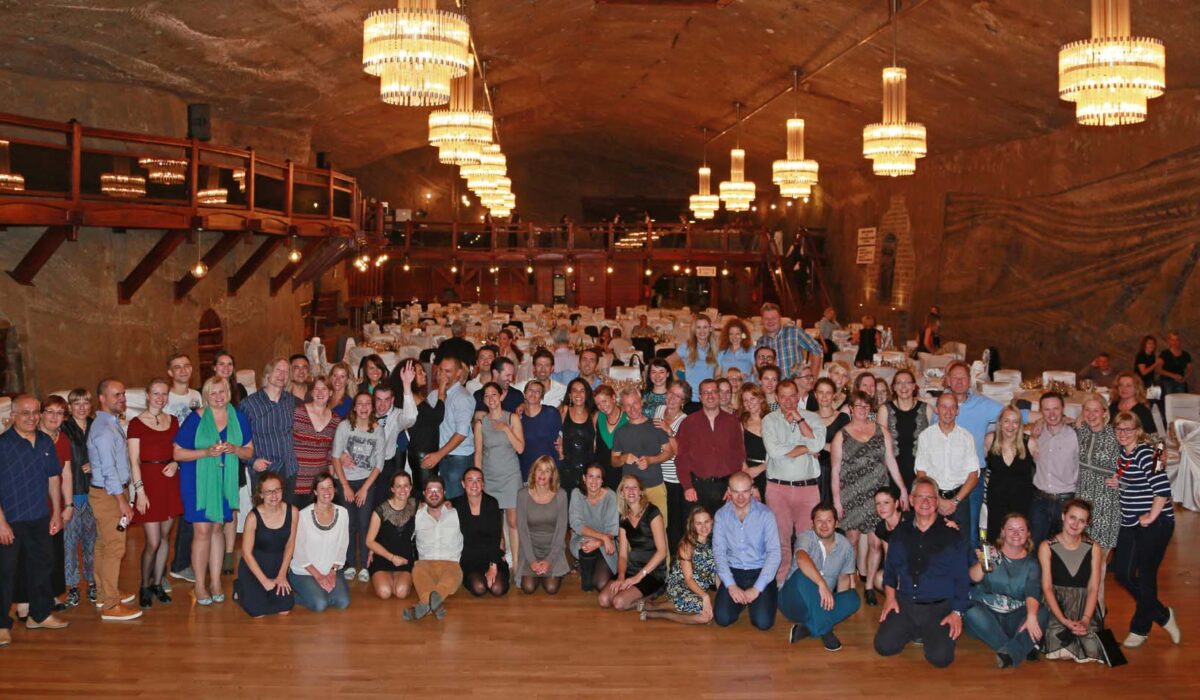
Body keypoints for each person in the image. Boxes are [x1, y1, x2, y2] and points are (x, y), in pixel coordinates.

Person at [875, 477, 972, 668]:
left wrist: (957, 613)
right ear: (911, 500)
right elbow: (890, 570)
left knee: (941, 659)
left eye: (930, 497)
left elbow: (962, 578)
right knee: (883, 647)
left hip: (938, 607)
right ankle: (917, 629)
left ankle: (926, 631)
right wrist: (890, 598)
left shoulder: (952, 536)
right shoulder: (900, 532)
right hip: (906, 603)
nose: (925, 502)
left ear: (937, 502)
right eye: (920, 497)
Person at [173, 377, 254, 606]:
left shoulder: (238, 417)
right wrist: (206, 453)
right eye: (213, 392)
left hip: (224, 481)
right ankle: (200, 585)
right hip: (197, 481)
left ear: (229, 393)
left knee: (217, 529)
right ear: (206, 396)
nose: (218, 396)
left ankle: (216, 582)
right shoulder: (196, 418)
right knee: (202, 531)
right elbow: (177, 453)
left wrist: (235, 449)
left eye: (222, 391)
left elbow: (249, 452)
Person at [0, 395, 69, 644]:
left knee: (42, 567)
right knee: (5, 572)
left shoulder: (44, 441)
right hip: (10, 520)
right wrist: (1, 523)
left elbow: (53, 478)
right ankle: (1, 625)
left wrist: (56, 512)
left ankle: (38, 615)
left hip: (39, 517)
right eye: (25, 412)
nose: (32, 417)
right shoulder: (3, 444)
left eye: (35, 412)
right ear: (13, 416)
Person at [831, 391, 908, 606]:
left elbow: (891, 461)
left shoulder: (882, 431)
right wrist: (837, 501)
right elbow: (835, 470)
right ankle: (851, 582)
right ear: (851, 408)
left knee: (875, 542)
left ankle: (869, 586)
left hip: (877, 495)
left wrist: (902, 489)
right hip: (852, 494)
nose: (863, 410)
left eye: (866, 406)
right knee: (852, 540)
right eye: (858, 406)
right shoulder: (841, 435)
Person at [1111, 412, 1180, 648]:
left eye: (1128, 429)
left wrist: (1151, 515)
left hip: (1156, 523)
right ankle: (1163, 614)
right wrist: (1119, 482)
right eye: (1119, 429)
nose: (1123, 433)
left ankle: (1140, 629)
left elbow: (1162, 488)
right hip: (1132, 521)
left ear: (1138, 431)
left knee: (1146, 574)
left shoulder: (1145, 453)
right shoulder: (1125, 453)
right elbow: (1137, 480)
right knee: (1123, 573)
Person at [86, 380, 142, 620]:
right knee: (115, 548)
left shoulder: (108, 423)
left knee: (103, 545)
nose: (122, 398)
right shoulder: (104, 430)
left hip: (108, 492)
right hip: (110, 495)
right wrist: (122, 501)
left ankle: (103, 594)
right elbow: (109, 471)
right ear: (102, 398)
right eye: (116, 395)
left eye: (123, 394)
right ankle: (110, 604)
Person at [762, 380, 826, 584]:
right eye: (783, 397)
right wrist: (805, 447)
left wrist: (800, 420)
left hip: (807, 488)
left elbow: (818, 444)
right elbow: (774, 451)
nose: (788, 401)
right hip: (777, 488)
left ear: (798, 397)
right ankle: (781, 582)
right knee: (780, 539)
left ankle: (804, 582)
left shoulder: (813, 418)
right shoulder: (769, 420)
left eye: (792, 396)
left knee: (808, 539)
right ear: (777, 398)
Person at [964, 513, 1046, 668]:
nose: (1016, 533)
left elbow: (1033, 592)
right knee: (969, 609)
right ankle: (1019, 648)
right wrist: (983, 563)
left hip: (1015, 618)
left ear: (1028, 533)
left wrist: (1032, 616)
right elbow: (972, 578)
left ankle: (1011, 651)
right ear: (1003, 532)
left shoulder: (1032, 564)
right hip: (987, 618)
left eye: (1021, 529)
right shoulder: (990, 553)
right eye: (1011, 529)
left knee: (1041, 612)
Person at [127, 378, 182, 608]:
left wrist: (176, 463)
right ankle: (144, 585)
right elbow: (133, 461)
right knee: (153, 541)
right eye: (156, 393)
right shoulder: (136, 423)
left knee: (166, 537)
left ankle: (158, 583)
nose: (160, 398)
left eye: (164, 394)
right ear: (147, 395)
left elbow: (179, 451)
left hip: (170, 481)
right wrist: (140, 492)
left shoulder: (173, 420)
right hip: (148, 483)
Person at [943, 360, 1008, 549]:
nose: (959, 382)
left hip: (973, 476)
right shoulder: (941, 406)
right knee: (946, 530)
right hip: (945, 476)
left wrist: (1043, 417)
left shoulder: (982, 405)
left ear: (970, 381)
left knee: (971, 531)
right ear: (948, 380)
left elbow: (1012, 414)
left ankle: (972, 566)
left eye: (963, 378)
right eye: (955, 378)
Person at [780, 503, 860, 651]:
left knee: (853, 599)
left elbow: (843, 578)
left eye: (828, 521)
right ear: (812, 523)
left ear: (836, 523)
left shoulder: (845, 546)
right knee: (803, 574)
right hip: (794, 601)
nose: (824, 525)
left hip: (821, 602)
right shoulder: (805, 537)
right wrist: (821, 584)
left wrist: (838, 603)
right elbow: (802, 558)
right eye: (819, 521)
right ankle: (825, 630)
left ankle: (808, 628)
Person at [712, 472, 780, 631]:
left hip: (760, 570)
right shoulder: (721, 515)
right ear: (729, 491)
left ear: (751, 490)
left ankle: (764, 595)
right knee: (722, 619)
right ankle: (743, 600)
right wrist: (731, 586)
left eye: (744, 491)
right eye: (736, 492)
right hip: (734, 571)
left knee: (763, 623)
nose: (740, 497)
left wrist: (757, 588)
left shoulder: (766, 515)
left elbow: (774, 553)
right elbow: (719, 553)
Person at [1040, 499, 1105, 664]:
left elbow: (1093, 588)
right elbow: (1047, 588)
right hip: (1057, 606)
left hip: (1084, 606)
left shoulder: (1094, 548)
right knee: (1060, 650)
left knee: (1093, 649)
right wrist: (1063, 620)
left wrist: (1085, 620)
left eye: (1081, 521)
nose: (1075, 524)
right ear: (1063, 516)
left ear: (1087, 524)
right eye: (1072, 517)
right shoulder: (1046, 546)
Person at [331, 392, 386, 583]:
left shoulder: (378, 430)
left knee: (364, 524)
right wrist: (345, 485)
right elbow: (335, 457)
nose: (363, 407)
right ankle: (348, 563)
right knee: (348, 523)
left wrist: (364, 489)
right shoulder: (344, 426)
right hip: (345, 480)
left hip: (366, 481)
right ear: (354, 407)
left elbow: (379, 465)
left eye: (367, 404)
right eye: (360, 404)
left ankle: (363, 565)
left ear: (372, 407)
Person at [598, 475, 668, 611]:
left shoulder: (652, 512)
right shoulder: (623, 518)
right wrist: (621, 576)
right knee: (604, 599)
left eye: (634, 487)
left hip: (651, 572)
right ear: (622, 493)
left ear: (641, 491)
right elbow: (623, 555)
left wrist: (638, 577)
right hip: (632, 568)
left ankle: (652, 596)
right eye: (627, 488)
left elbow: (662, 552)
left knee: (619, 602)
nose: (631, 491)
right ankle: (636, 593)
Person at [1074, 394, 1121, 601]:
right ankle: (1087, 610)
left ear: (1104, 412)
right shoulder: (1080, 431)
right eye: (1087, 410)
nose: (1091, 414)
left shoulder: (1116, 434)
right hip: (1082, 506)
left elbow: (1150, 448)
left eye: (1096, 410)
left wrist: (1124, 480)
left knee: (1098, 565)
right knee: (1083, 562)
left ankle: (1097, 612)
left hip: (1106, 507)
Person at [676, 379, 745, 518]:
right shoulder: (688, 423)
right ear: (700, 397)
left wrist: (733, 487)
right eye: (706, 392)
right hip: (697, 488)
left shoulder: (732, 422)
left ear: (718, 395)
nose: (710, 396)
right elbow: (682, 458)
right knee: (698, 529)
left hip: (725, 488)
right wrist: (687, 486)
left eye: (713, 391)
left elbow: (738, 456)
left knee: (725, 528)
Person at [474, 382, 524, 569]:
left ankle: (517, 563)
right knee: (495, 522)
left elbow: (520, 448)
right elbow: (478, 454)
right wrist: (478, 480)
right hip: (489, 476)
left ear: (501, 395)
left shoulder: (512, 418)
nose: (491, 399)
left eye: (494, 394)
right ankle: (500, 560)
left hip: (510, 475)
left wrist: (506, 429)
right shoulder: (481, 423)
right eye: (486, 396)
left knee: (513, 521)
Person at [914, 393, 979, 532]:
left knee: (961, 541)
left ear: (957, 411)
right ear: (937, 409)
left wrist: (955, 501)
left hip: (960, 500)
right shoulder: (925, 436)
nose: (948, 412)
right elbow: (921, 473)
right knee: (932, 541)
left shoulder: (967, 437)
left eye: (952, 407)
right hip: (932, 499)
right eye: (944, 406)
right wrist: (937, 500)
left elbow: (973, 475)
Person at [234, 472, 296, 618]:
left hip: (277, 567)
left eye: (277, 490)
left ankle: (263, 591)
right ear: (261, 494)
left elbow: (290, 544)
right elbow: (246, 553)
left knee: (285, 608)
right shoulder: (253, 517)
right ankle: (239, 587)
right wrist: (264, 581)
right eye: (268, 492)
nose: (274, 495)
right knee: (257, 612)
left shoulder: (293, 511)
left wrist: (282, 575)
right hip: (254, 568)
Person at [641, 506, 717, 624]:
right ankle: (657, 607)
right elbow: (688, 578)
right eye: (699, 523)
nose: (704, 527)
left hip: (699, 589)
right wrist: (705, 597)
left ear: (712, 521)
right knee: (701, 605)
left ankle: (660, 613)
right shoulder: (687, 545)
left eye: (706, 522)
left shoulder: (716, 542)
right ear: (693, 525)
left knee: (705, 617)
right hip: (680, 585)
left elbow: (717, 573)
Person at [288, 472, 350, 612]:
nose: (326, 491)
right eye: (322, 488)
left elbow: (343, 546)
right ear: (315, 491)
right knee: (320, 604)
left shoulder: (343, 513)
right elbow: (299, 553)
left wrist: (333, 572)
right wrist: (319, 577)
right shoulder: (303, 515)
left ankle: (319, 593)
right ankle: (287, 596)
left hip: (331, 569)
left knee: (343, 602)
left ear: (334, 489)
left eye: (330, 487)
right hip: (305, 571)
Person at [241, 357, 300, 503]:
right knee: (264, 513)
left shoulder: (291, 401)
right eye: (278, 370)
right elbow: (237, 439)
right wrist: (252, 461)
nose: (282, 374)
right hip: (264, 470)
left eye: (286, 371)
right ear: (268, 374)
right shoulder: (249, 404)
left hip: (289, 468)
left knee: (288, 512)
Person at [611, 388, 674, 521]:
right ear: (623, 407)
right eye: (628, 405)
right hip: (631, 491)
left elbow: (669, 452)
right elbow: (613, 461)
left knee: (660, 529)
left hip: (655, 486)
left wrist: (651, 460)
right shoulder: (620, 432)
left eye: (635, 403)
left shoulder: (656, 425)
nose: (632, 408)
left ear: (641, 402)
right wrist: (623, 458)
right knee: (633, 530)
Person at [408, 477, 463, 621]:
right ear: (424, 493)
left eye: (437, 490)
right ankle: (433, 605)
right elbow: (403, 538)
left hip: (451, 564)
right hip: (425, 564)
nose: (434, 494)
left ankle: (423, 606)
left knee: (452, 578)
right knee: (417, 570)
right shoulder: (417, 516)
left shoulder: (456, 513)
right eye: (430, 490)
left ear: (444, 492)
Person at [1029, 393, 1080, 545]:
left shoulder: (1075, 435)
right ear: (1041, 411)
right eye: (1047, 409)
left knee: (1063, 548)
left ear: (1063, 409)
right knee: (1036, 547)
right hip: (1040, 500)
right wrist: (1038, 423)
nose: (1052, 414)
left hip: (1066, 501)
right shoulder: (1036, 435)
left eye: (1056, 409)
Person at [62, 388, 96, 608]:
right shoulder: (63, 428)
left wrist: (96, 465)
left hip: (94, 492)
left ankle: (93, 582)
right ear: (70, 407)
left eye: (85, 403)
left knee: (92, 542)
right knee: (70, 543)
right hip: (71, 493)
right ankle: (72, 586)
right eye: (77, 403)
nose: (82, 407)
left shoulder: (97, 425)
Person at [451, 468, 510, 597]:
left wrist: (493, 567)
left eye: (478, 480)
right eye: (470, 480)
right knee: (479, 587)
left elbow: (496, 537)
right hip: (469, 558)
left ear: (483, 484)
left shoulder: (492, 503)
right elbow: (436, 505)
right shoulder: (456, 504)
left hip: (492, 555)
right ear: (463, 484)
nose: (474, 484)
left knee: (498, 588)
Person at [423, 357, 476, 500]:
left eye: (447, 371)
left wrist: (439, 455)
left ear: (458, 373)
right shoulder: (434, 395)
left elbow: (461, 433)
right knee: (442, 501)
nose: (441, 375)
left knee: (455, 502)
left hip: (457, 458)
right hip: (441, 455)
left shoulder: (462, 397)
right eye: (440, 370)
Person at [516, 457, 569, 594]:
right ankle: (539, 572)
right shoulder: (522, 495)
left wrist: (549, 560)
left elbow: (561, 532)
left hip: (553, 549)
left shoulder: (561, 495)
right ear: (534, 472)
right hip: (531, 549)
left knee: (551, 588)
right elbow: (522, 530)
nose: (542, 474)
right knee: (528, 587)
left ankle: (549, 572)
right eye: (539, 469)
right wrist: (532, 561)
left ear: (552, 475)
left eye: (547, 470)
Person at [364, 471, 417, 601]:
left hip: (404, 558)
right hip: (383, 557)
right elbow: (369, 541)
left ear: (410, 487)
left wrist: (447, 503)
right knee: (385, 592)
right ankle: (383, 578)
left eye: (406, 485)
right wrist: (391, 557)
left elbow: (434, 503)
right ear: (392, 489)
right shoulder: (380, 510)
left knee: (401, 592)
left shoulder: (415, 504)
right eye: (398, 486)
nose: (403, 490)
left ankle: (396, 579)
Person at [876, 370, 932, 490]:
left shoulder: (926, 409)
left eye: (907, 382)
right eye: (899, 383)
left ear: (914, 386)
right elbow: (880, 446)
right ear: (894, 387)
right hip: (893, 471)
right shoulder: (885, 410)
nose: (903, 386)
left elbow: (933, 444)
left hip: (921, 471)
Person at [570, 464, 619, 592]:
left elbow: (612, 531)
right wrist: (602, 537)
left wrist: (599, 542)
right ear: (584, 478)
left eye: (598, 477)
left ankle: (586, 566)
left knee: (601, 584)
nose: (594, 481)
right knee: (588, 586)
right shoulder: (576, 494)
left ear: (602, 480)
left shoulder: (611, 496)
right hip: (582, 538)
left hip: (605, 542)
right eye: (590, 476)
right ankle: (585, 567)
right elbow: (576, 524)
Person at [654, 381, 690, 554]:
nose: (672, 398)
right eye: (670, 393)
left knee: (673, 527)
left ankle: (676, 562)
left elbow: (680, 453)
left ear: (683, 401)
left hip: (674, 480)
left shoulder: (685, 420)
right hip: (656, 475)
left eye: (678, 396)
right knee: (658, 523)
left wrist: (669, 432)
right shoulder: (659, 409)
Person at [292, 375, 340, 500]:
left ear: (330, 393)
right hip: (296, 480)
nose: (320, 393)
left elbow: (331, 453)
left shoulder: (336, 420)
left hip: (319, 484)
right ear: (312, 392)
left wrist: (330, 481)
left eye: (324, 389)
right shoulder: (297, 413)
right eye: (316, 389)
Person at [402, 359, 445, 496]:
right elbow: (437, 417)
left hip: (425, 451)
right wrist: (442, 390)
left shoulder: (418, 395)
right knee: (426, 493)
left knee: (425, 491)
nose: (425, 374)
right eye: (420, 372)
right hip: (422, 453)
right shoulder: (412, 397)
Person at [756, 302, 822, 377]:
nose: (770, 321)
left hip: (795, 383)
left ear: (780, 318)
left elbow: (816, 349)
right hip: (773, 384)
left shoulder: (794, 332)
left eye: (774, 318)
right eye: (766, 318)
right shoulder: (761, 342)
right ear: (762, 320)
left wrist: (813, 378)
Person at [813, 377, 850, 507]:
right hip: (812, 471)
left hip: (835, 470)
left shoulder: (842, 418)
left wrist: (819, 445)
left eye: (828, 392)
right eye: (820, 392)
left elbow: (846, 447)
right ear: (815, 395)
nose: (824, 396)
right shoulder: (808, 417)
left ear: (834, 395)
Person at [559, 378, 597, 497]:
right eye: (574, 390)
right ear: (570, 395)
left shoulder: (593, 414)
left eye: (582, 390)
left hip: (588, 471)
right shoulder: (564, 411)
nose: (578, 394)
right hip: (566, 469)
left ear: (587, 394)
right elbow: (554, 434)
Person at [666, 314, 718, 399]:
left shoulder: (715, 348)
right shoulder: (687, 347)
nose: (702, 331)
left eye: (705, 327)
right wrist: (679, 382)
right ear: (694, 330)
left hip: (709, 397)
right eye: (698, 327)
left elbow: (716, 373)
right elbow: (668, 362)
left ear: (710, 329)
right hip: (691, 397)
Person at [518, 381, 561, 481]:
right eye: (530, 390)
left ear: (541, 396)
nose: (533, 393)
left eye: (537, 391)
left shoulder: (551, 413)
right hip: (527, 470)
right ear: (524, 393)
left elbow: (560, 435)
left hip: (548, 470)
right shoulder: (518, 417)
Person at [594, 385, 627, 491]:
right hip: (601, 473)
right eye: (598, 404)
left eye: (604, 401)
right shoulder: (597, 416)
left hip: (622, 472)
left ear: (613, 397)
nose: (602, 406)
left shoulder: (627, 416)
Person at [740, 384, 769, 501]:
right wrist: (748, 475)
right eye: (745, 400)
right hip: (749, 473)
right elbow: (739, 451)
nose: (749, 403)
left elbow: (780, 452)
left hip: (771, 470)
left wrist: (761, 468)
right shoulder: (741, 423)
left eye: (752, 398)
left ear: (761, 399)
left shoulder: (773, 420)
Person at [1157, 331, 1190, 397]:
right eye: (1172, 340)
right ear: (1169, 341)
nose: (1174, 342)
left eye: (1177, 340)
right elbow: (1158, 369)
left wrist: (1184, 378)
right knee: (1169, 400)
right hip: (1166, 381)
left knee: (1180, 400)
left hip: (1180, 382)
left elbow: (1190, 369)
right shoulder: (1164, 353)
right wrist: (1173, 375)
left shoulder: (1185, 354)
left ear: (1180, 341)